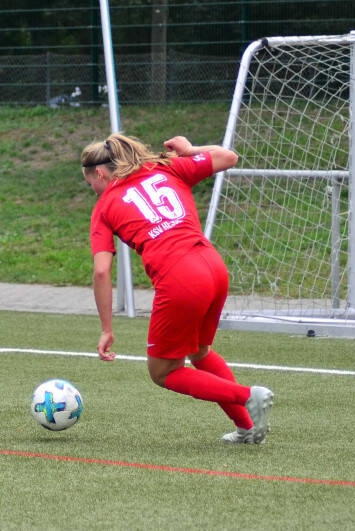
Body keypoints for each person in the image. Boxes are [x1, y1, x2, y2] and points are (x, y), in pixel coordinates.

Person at [80, 133, 273, 444]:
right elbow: (228, 157)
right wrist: (191, 150)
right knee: (199, 351)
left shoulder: (104, 208)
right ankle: (247, 428)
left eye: (91, 183)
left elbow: (102, 271)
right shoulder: (166, 167)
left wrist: (106, 329)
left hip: (181, 278)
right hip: (213, 266)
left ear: (100, 173)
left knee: (163, 372)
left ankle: (248, 395)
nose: (93, 190)